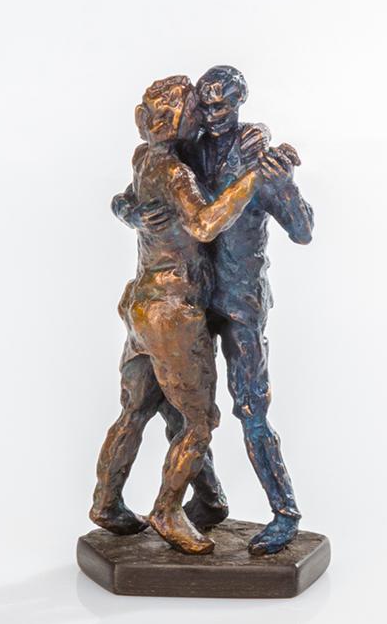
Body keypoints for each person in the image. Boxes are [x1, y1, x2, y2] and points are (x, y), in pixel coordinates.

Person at [113, 66, 314, 555]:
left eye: (221, 105)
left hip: (240, 303)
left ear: (239, 104)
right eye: (203, 106)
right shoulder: (183, 152)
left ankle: (284, 512)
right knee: (181, 408)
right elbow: (129, 194)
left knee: (250, 409)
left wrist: (284, 185)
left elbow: (303, 230)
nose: (211, 115)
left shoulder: (259, 159)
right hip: (188, 301)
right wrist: (132, 214)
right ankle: (207, 499)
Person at [91, 75, 269, 554]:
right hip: (173, 310)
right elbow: (206, 225)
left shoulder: (142, 158)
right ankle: (168, 511)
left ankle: (112, 502)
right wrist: (255, 177)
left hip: (141, 303)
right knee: (198, 421)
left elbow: (126, 199)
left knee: (139, 408)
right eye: (194, 111)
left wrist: (126, 210)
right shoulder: (175, 173)